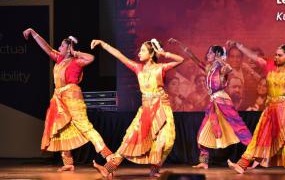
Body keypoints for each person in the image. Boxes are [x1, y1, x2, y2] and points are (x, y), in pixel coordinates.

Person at [22, 28, 115, 172]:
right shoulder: (59, 59)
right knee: (61, 128)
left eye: (62, 46)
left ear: (69, 48)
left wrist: (75, 52)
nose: (59, 48)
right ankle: (68, 162)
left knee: (85, 127)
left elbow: (91, 58)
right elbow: (46, 47)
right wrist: (34, 33)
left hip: (72, 97)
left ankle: (108, 156)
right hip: (59, 97)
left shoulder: (77, 61)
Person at [90, 38, 184, 178]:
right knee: (131, 139)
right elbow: (119, 55)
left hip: (161, 108)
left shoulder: (160, 68)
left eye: (143, 50)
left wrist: (164, 54)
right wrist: (103, 44)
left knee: (166, 140)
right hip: (146, 110)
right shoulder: (137, 67)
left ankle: (154, 169)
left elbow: (180, 60)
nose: (139, 53)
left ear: (151, 54)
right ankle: (108, 168)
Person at [227, 42, 285, 174]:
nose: (276, 57)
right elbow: (253, 56)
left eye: (280, 55)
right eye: (275, 54)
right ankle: (242, 164)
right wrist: (239, 46)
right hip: (272, 108)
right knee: (260, 135)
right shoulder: (269, 65)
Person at [169, 38, 252, 169]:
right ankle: (204, 161)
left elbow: (229, 69)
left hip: (223, 102)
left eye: (210, 53)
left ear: (217, 55)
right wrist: (179, 44)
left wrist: (220, 59)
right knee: (203, 132)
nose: (207, 55)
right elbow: (192, 56)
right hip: (213, 104)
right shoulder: (209, 68)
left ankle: (248, 158)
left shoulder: (221, 69)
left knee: (239, 128)